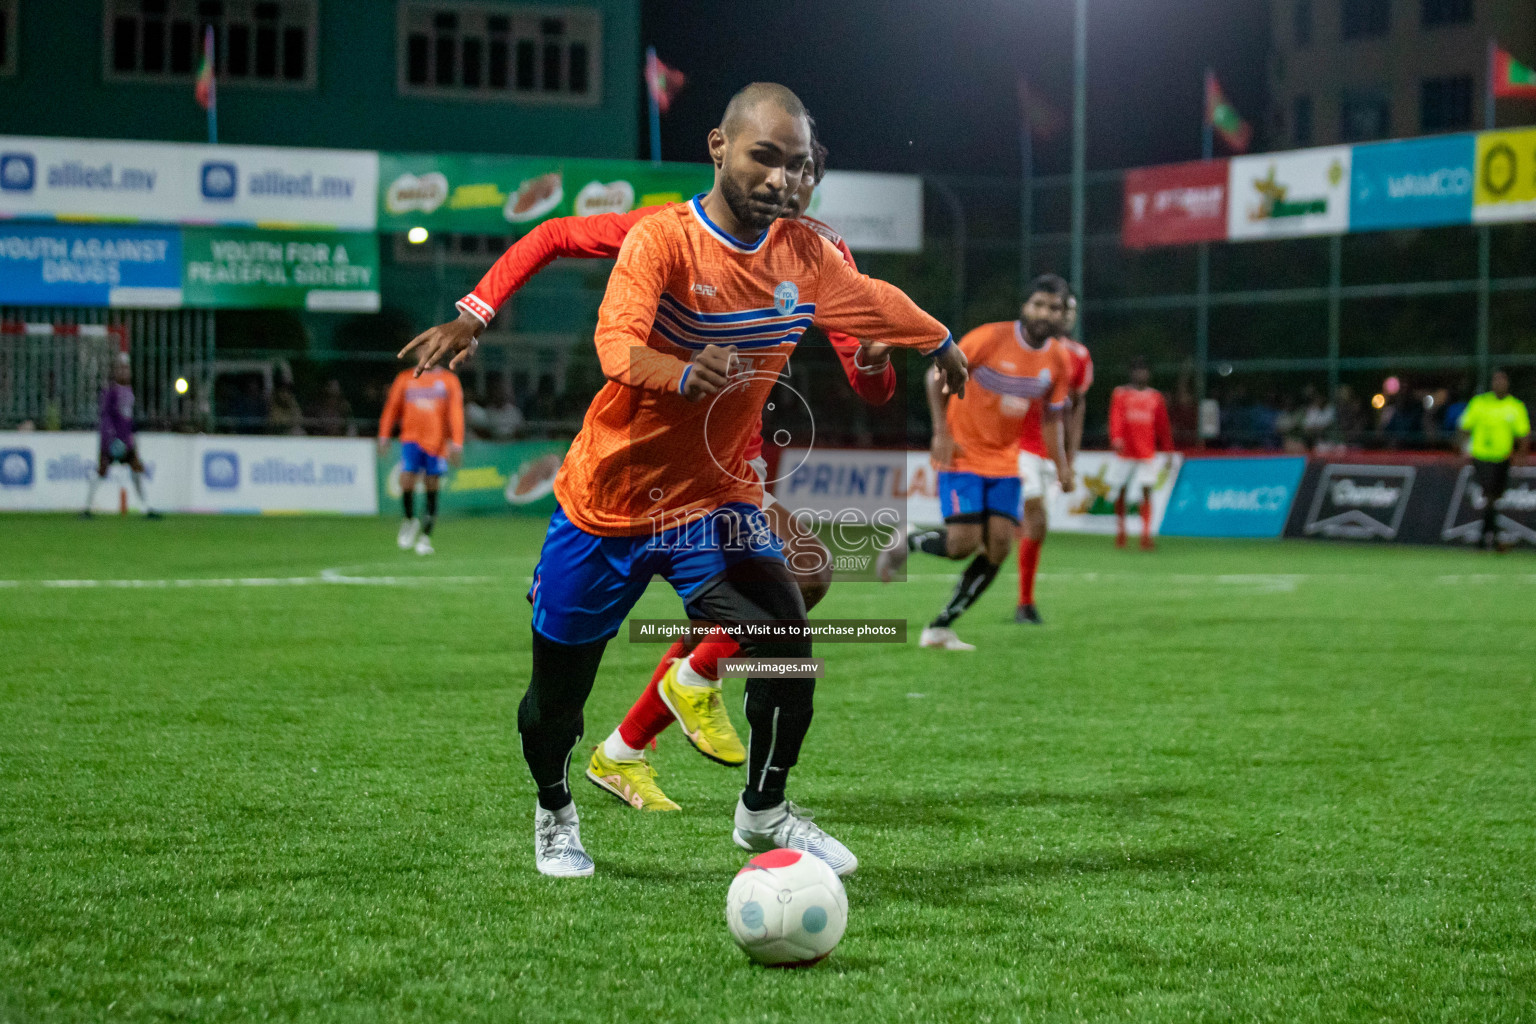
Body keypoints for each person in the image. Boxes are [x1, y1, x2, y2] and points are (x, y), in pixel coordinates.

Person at [400, 82, 967, 878]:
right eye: (764, 158)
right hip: (609, 503)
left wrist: (933, 339)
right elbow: (611, 339)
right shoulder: (661, 236)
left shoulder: (813, 253)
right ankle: (556, 807)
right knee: (553, 704)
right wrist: (482, 309)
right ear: (717, 148)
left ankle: (764, 812)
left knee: (787, 643)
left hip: (715, 499)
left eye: (798, 165)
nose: (783, 179)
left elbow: (872, 312)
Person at [877, 274, 1074, 647]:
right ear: (1025, 306)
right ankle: (911, 540)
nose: (1045, 312)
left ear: (1063, 314)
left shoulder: (1058, 360)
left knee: (1000, 545)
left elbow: (1052, 416)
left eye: (1054, 307)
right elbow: (935, 377)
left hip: (1006, 461)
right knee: (962, 545)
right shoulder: (988, 338)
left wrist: (1062, 465)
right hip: (964, 452)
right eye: (1039, 304)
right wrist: (941, 432)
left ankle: (940, 626)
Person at [1013, 288, 1092, 623]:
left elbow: (1075, 408)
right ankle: (1025, 603)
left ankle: (1025, 602)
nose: (1062, 315)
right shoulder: (1022, 346)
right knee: (1035, 516)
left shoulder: (1078, 356)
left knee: (1035, 527)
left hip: (1050, 452)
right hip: (1017, 446)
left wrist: (1068, 459)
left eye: (1066, 309)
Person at [377, 365, 464, 555]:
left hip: (437, 442)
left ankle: (425, 537)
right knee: (406, 480)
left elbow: (455, 412)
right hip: (411, 439)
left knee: (431, 487)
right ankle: (409, 519)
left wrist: (457, 443)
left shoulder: (449, 380)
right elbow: (392, 407)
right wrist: (384, 435)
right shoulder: (405, 377)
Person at [1457, 369, 1530, 551]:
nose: (1499, 384)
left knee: (1494, 498)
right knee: (1490, 494)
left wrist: (1521, 456)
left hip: (1502, 459)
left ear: (1507, 384)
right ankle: (1496, 540)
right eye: (1496, 380)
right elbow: (1464, 427)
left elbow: (1523, 435)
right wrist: (1464, 449)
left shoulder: (1515, 406)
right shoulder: (1480, 403)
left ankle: (1485, 539)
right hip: (1481, 457)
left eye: (1502, 381)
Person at [1106, 358, 1174, 550]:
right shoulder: (1121, 393)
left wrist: (1168, 450)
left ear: (1148, 374)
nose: (1140, 374)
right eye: (1137, 370)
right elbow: (1115, 417)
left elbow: (1163, 426)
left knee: (1147, 490)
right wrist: (1116, 437)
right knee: (1121, 490)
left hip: (1146, 452)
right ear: (1131, 373)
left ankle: (1145, 534)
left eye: (1143, 371)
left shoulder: (1155, 397)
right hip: (1125, 452)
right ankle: (1121, 531)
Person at [83, 353, 158, 518]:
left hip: (126, 440)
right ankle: (87, 508)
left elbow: (129, 419)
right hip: (112, 440)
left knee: (136, 468)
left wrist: (133, 435)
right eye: (121, 368)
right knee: (102, 470)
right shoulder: (110, 391)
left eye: (126, 368)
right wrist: (111, 437)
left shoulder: (129, 391)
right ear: (115, 371)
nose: (125, 372)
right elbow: (106, 416)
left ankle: (146, 507)